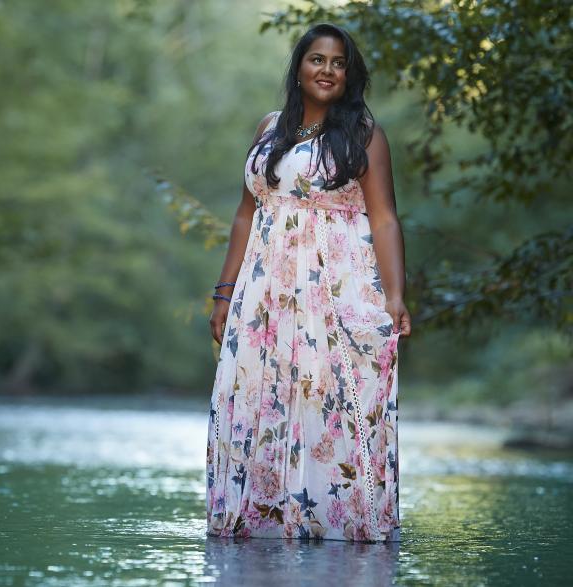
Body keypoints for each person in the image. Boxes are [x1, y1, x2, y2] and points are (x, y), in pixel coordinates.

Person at [205, 22, 412, 542]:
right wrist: (224, 293)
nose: (327, 70)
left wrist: (395, 296)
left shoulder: (365, 134)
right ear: (298, 68)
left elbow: (385, 218)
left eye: (338, 63)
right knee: (259, 392)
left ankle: (337, 522)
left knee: (327, 395)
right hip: (264, 294)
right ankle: (261, 522)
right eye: (317, 59)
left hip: (334, 289)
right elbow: (245, 214)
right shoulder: (269, 128)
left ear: (349, 75)